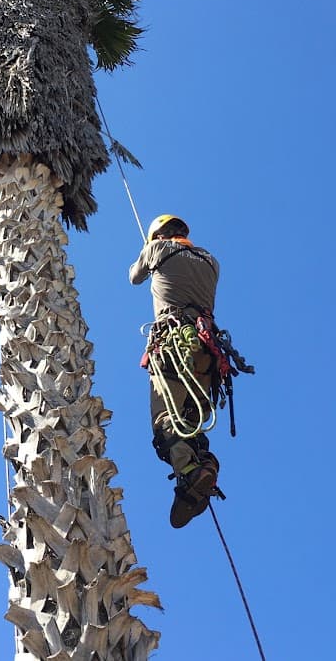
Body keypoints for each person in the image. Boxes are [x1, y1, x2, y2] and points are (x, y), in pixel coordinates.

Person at [129, 214, 223, 528]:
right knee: (191, 421)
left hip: (172, 344)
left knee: (166, 420)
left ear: (157, 235)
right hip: (206, 353)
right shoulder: (211, 260)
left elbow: (134, 277)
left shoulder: (157, 249)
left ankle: (190, 473)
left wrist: (148, 248)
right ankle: (203, 464)